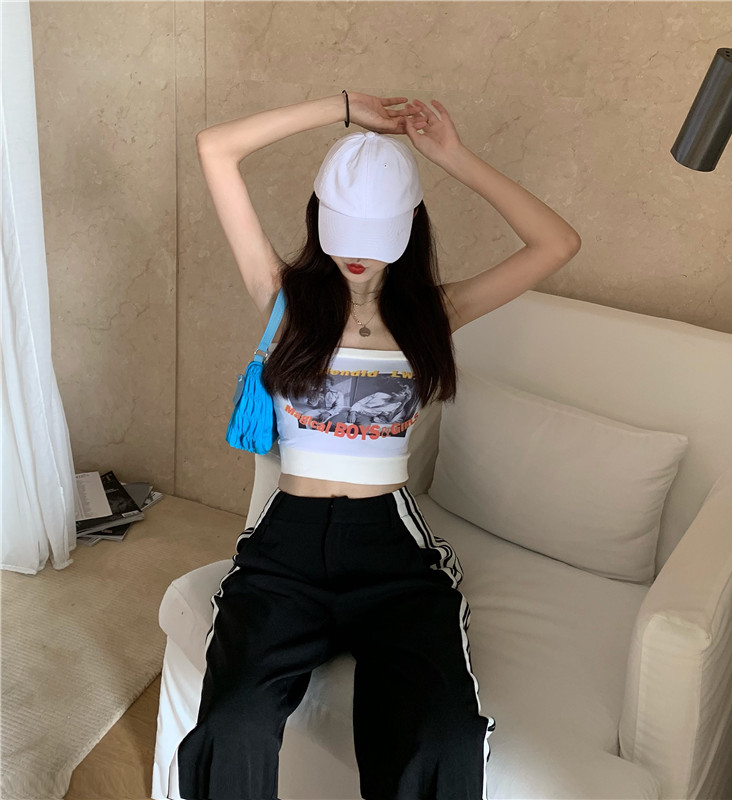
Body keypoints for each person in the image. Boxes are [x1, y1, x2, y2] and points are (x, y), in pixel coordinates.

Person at [175, 91, 581, 800]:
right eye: (344, 231)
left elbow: (557, 244)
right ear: (319, 219)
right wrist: (341, 107)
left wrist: (451, 156)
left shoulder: (434, 311)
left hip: (390, 546)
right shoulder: (283, 297)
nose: (357, 253)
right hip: (287, 547)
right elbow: (216, 148)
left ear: (410, 228)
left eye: (377, 234)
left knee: (442, 736)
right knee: (232, 723)